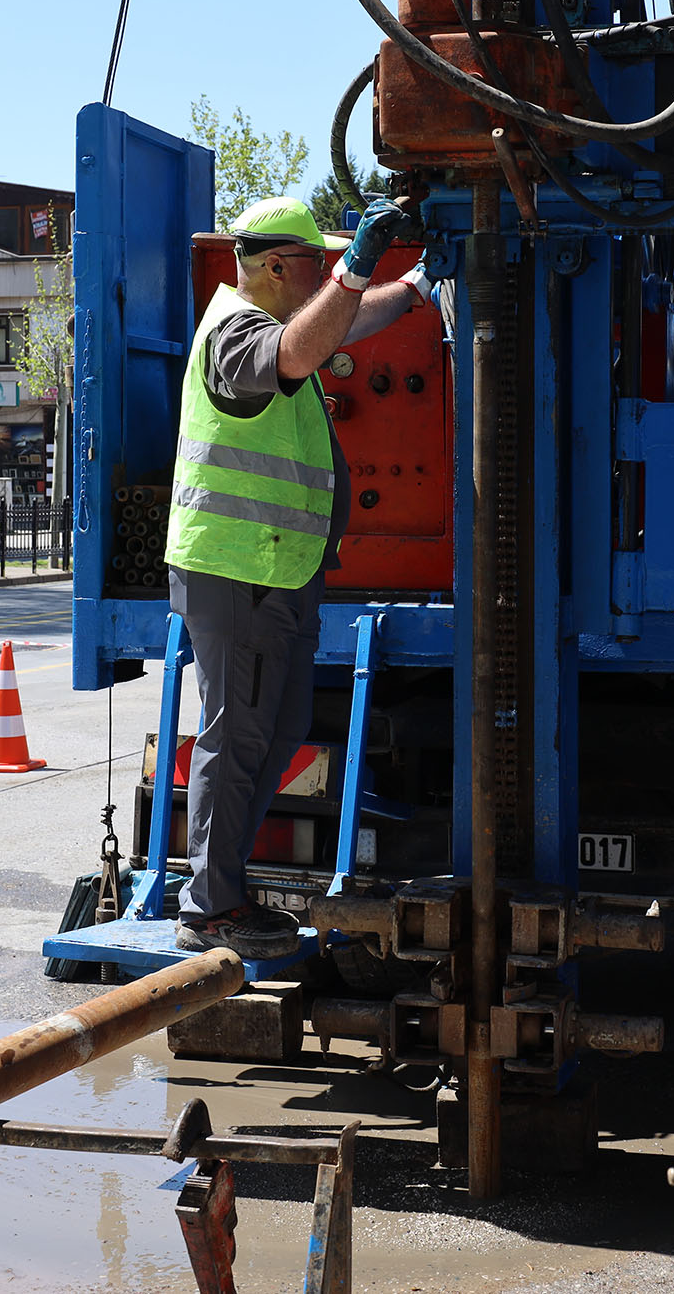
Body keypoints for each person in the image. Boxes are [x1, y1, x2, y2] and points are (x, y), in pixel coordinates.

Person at [163, 194, 435, 958]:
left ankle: (226, 891)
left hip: (276, 569)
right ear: (277, 267)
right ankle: (209, 905)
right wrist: (359, 264)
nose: (324, 280)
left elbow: (336, 325)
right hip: (238, 570)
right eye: (316, 265)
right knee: (236, 736)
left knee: (275, 731)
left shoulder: (276, 324)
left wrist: (415, 288)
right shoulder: (235, 333)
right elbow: (297, 351)